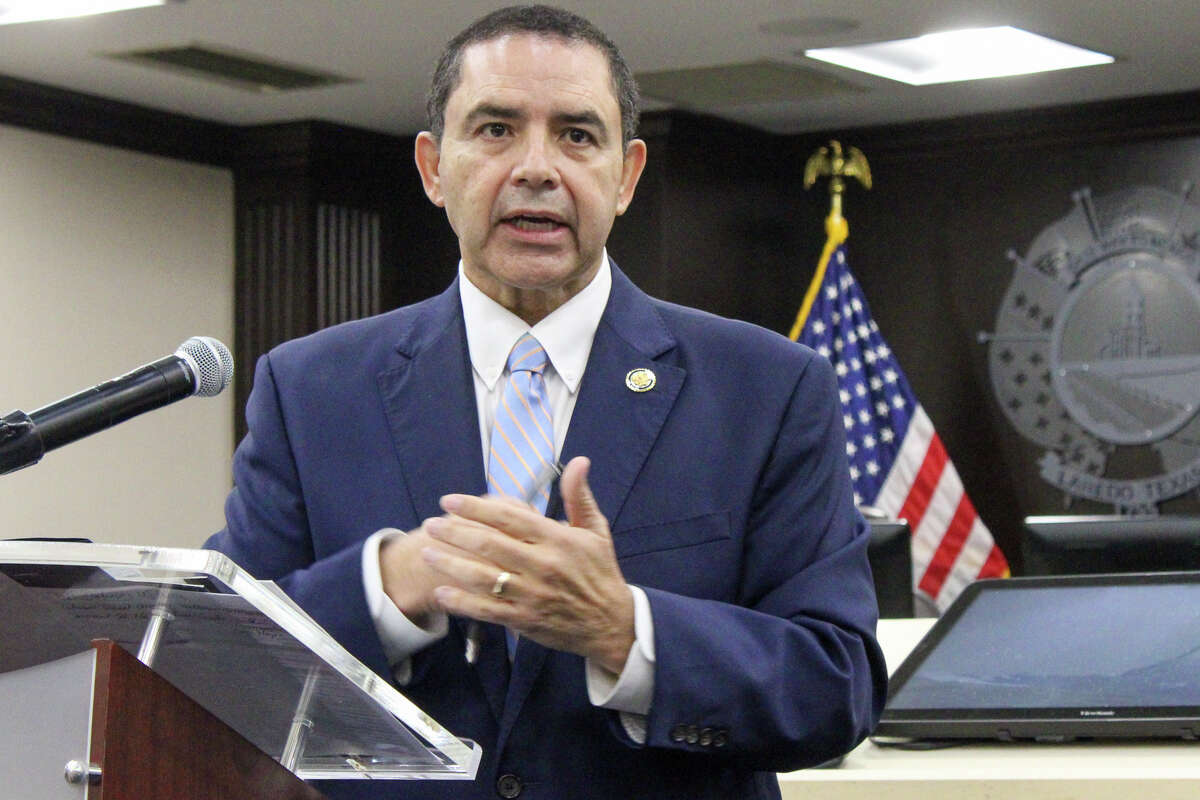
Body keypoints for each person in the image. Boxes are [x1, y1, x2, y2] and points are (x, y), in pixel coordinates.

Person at [207, 5, 886, 799]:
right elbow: (222, 663)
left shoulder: (767, 388)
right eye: (496, 129)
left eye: (577, 135)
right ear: (433, 168)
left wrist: (625, 631)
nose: (537, 167)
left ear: (625, 175)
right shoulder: (311, 387)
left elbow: (836, 688)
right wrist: (390, 585)